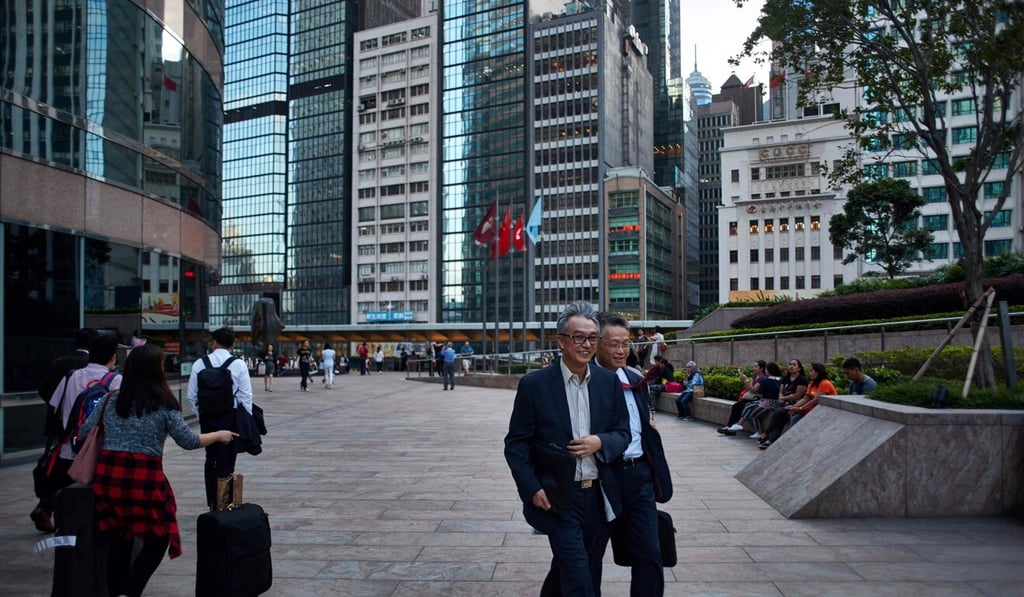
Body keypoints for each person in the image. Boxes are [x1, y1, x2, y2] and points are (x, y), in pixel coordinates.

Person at [80, 344, 235, 597]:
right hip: (144, 477)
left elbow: (85, 431)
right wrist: (219, 435)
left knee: (120, 536)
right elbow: (188, 441)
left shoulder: (111, 399)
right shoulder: (164, 403)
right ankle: (131, 592)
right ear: (156, 370)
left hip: (109, 476)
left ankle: (117, 592)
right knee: (159, 537)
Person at [504, 301, 630, 596]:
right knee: (579, 579)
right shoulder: (535, 384)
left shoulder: (608, 382)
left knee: (584, 568)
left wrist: (601, 442)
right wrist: (532, 487)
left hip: (599, 496)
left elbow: (623, 433)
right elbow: (515, 444)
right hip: (560, 497)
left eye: (592, 338)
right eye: (578, 337)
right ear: (561, 341)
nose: (586, 344)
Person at [597, 312, 672, 596]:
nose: (620, 350)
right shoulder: (587, 382)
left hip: (639, 475)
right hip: (603, 478)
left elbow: (644, 426)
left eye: (625, 344)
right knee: (588, 553)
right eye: (613, 344)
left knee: (649, 553)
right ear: (597, 343)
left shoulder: (633, 377)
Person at [32, 327, 99, 532]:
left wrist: (59, 408)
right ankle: (63, 511)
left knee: (55, 466)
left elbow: (44, 389)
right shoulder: (94, 367)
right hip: (83, 427)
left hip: (57, 426)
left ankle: (46, 505)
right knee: (77, 469)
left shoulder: (61, 363)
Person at [187, 327, 253, 509]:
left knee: (210, 459)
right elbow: (246, 396)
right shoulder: (238, 364)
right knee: (227, 458)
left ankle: (211, 501)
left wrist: (201, 415)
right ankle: (224, 503)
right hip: (229, 419)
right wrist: (245, 421)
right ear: (232, 344)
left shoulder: (200, 364)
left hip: (208, 418)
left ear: (213, 342)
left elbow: (192, 395)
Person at [718, 360, 768, 436]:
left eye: (756, 366)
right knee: (736, 406)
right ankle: (730, 426)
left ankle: (734, 427)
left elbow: (754, 390)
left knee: (742, 407)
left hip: (756, 399)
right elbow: (749, 388)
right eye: (754, 366)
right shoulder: (755, 376)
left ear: (761, 368)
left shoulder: (763, 378)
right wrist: (744, 381)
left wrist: (746, 380)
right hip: (750, 398)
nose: (754, 368)